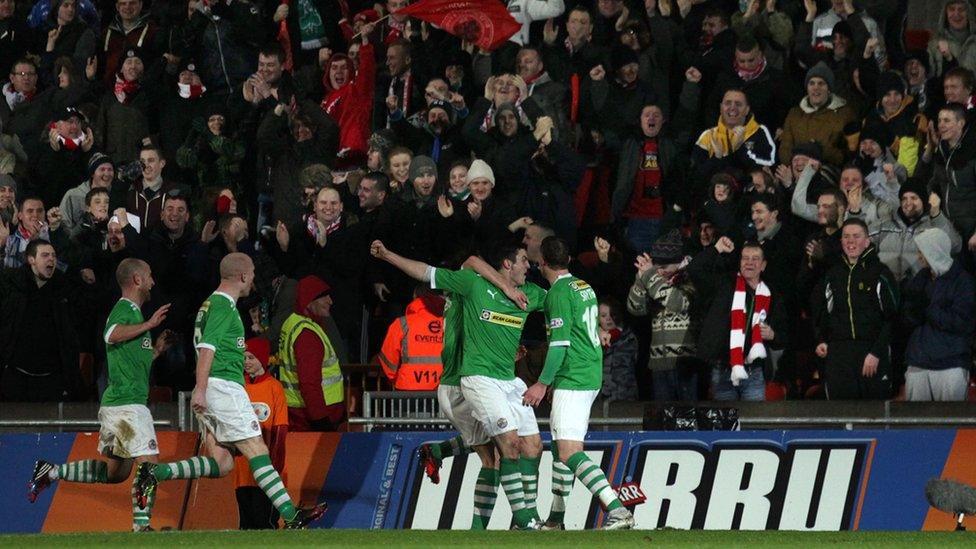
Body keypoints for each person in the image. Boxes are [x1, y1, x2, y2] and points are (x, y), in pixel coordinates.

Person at [132, 253, 326, 529]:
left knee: (223, 463)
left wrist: (203, 389)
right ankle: (291, 515)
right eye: (252, 275)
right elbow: (207, 348)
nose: (253, 280)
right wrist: (200, 389)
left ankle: (154, 473)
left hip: (214, 388)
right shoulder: (223, 306)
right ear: (244, 276)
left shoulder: (211, 305)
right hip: (222, 387)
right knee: (257, 448)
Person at [371, 239, 544, 529]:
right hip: (457, 383)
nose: (528, 265)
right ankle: (511, 522)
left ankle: (443, 457)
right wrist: (388, 255)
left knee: (505, 447)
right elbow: (470, 262)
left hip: (476, 380)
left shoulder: (471, 293)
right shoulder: (469, 286)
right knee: (497, 454)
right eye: (523, 260)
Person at [27, 258, 171, 532]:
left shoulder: (135, 315)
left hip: (121, 403)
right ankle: (142, 528)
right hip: (127, 405)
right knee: (149, 466)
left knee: (116, 474)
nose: (153, 282)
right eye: (150, 276)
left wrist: (157, 350)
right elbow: (111, 334)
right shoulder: (124, 309)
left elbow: (132, 362)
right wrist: (150, 325)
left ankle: (51, 471)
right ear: (137, 280)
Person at [523, 237, 634, 530]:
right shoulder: (583, 287)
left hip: (574, 377)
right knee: (563, 448)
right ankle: (556, 519)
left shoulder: (559, 293)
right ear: (568, 259)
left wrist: (543, 383)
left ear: (542, 263)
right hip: (586, 373)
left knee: (569, 451)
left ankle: (618, 509)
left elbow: (559, 343)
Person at [690, 239, 788, 401]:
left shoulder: (772, 296)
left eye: (755, 259)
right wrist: (716, 248)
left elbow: (784, 337)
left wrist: (773, 335)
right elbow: (694, 270)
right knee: (726, 425)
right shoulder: (724, 285)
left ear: (763, 265)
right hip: (723, 371)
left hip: (754, 373)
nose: (749, 263)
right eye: (745, 258)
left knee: (753, 425)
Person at [813, 219, 899, 400]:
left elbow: (892, 318)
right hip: (839, 355)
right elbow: (823, 313)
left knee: (874, 417)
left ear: (867, 241)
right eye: (846, 236)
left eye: (856, 236)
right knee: (840, 416)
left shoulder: (881, 273)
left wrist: (876, 352)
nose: (850, 241)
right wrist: (821, 339)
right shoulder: (832, 274)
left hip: (871, 354)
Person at [0, 239, 79, 401]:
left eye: (53, 256)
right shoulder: (12, 284)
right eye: (45, 255)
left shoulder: (62, 288)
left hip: (51, 378)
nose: (51, 259)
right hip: (15, 375)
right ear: (31, 260)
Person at [902, 228, 974, 402]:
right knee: (915, 426)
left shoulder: (963, 281)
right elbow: (908, 315)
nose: (919, 256)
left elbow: (962, 323)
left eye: (922, 251)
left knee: (950, 424)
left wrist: (929, 309)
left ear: (935, 250)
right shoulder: (921, 277)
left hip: (950, 364)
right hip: (918, 361)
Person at [627, 229, 697, 402]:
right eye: (657, 267)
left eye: (664, 267)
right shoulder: (654, 280)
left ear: (678, 262)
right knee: (662, 421)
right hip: (658, 364)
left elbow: (677, 303)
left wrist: (650, 276)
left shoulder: (692, 276)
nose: (661, 271)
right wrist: (640, 279)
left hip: (685, 363)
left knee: (688, 418)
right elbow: (635, 308)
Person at [277, 275, 346, 431]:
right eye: (324, 297)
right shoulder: (307, 335)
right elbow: (309, 383)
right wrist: (321, 421)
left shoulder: (293, 322)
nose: (330, 301)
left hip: (299, 413)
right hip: (315, 417)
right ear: (309, 301)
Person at [234, 337, 289, 530]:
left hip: (266, 470)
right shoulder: (238, 387)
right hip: (242, 471)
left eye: (251, 357)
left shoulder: (274, 388)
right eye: (244, 357)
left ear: (263, 360)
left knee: (265, 523)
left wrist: (275, 463)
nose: (247, 362)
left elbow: (280, 429)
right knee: (246, 525)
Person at [377, 286, 445, 391]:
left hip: (408, 389)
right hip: (442, 389)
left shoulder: (402, 324)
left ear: (415, 297)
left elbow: (387, 360)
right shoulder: (451, 324)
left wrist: (395, 379)